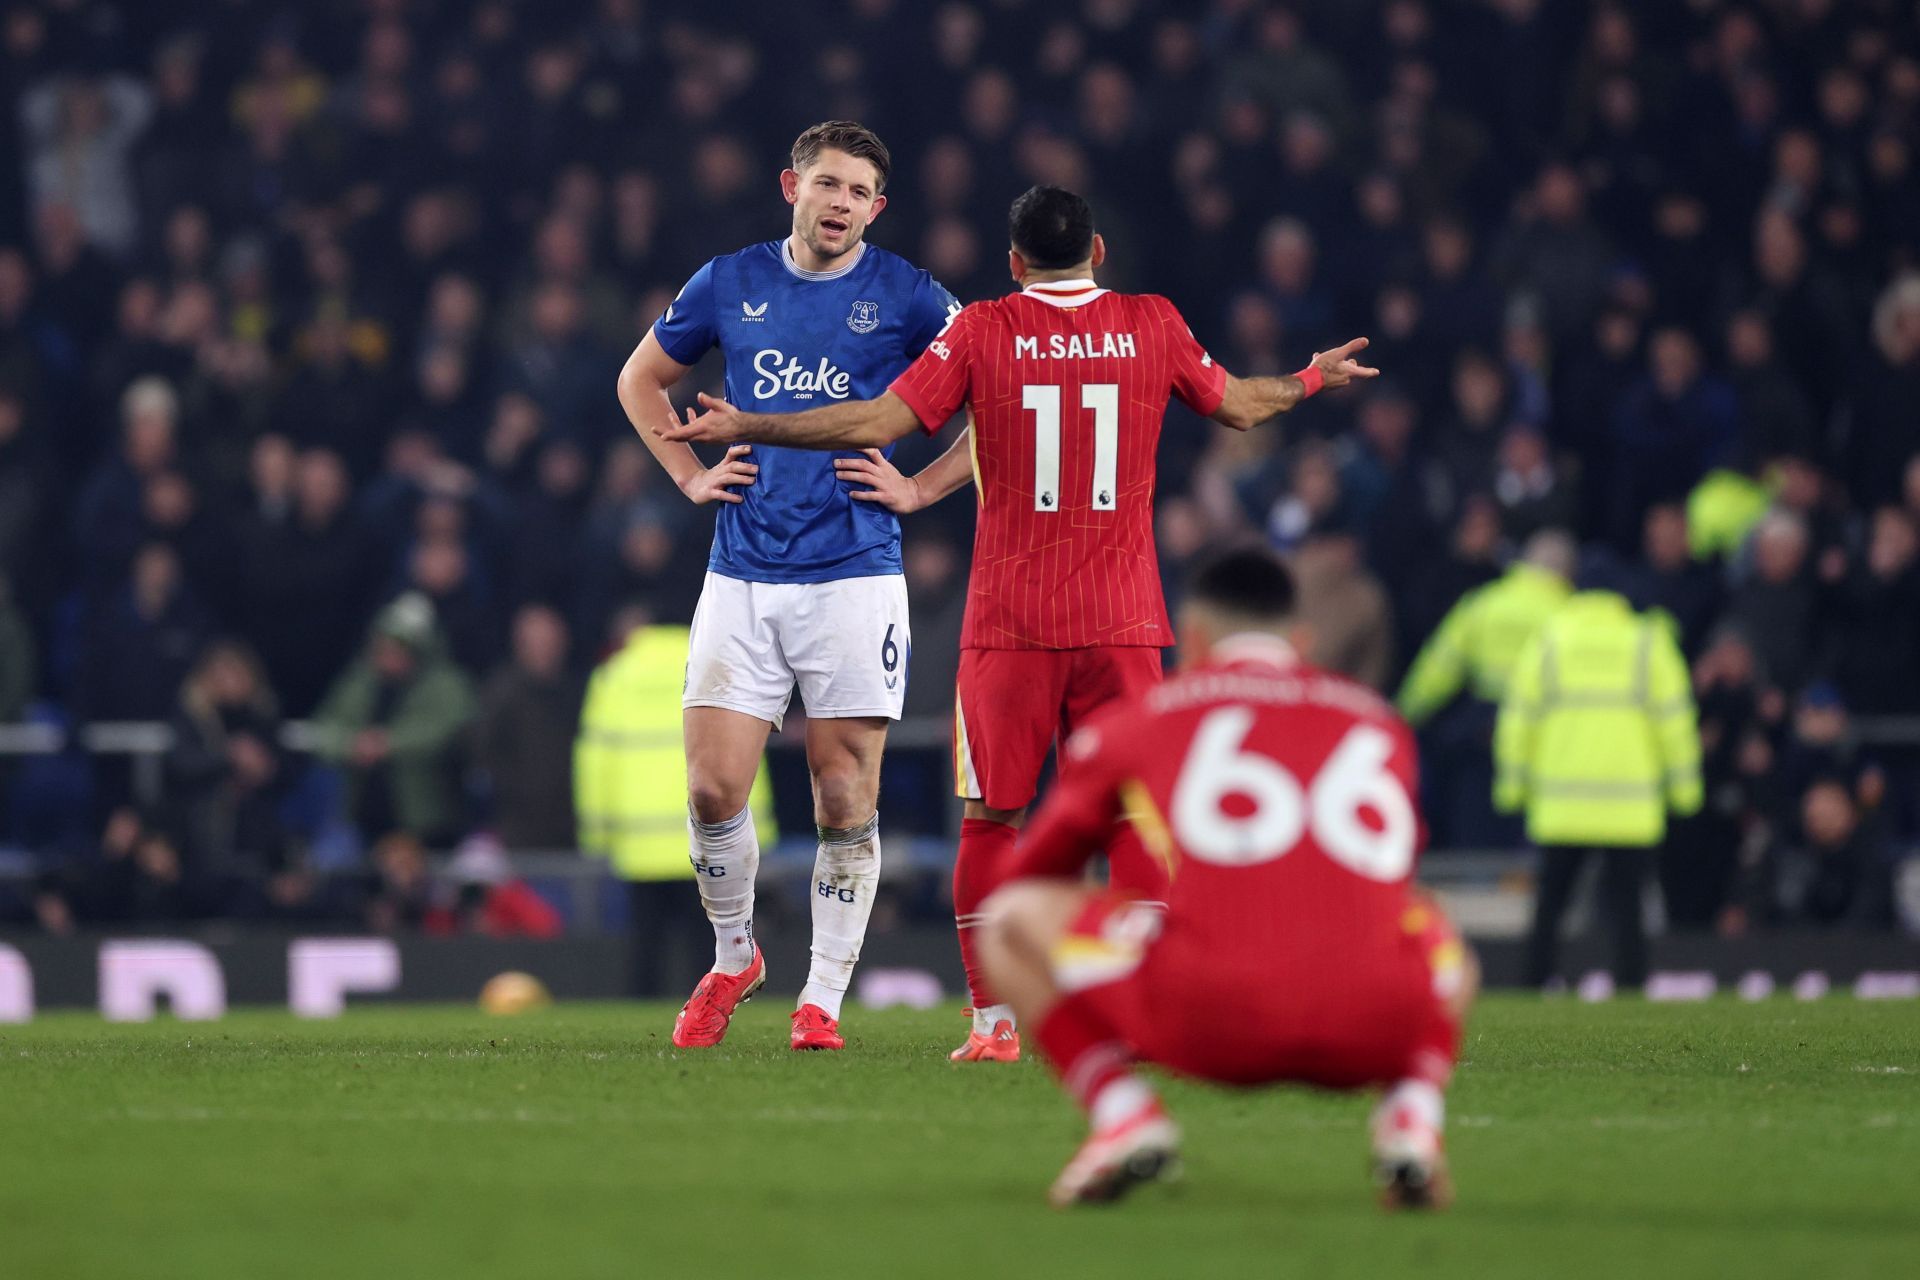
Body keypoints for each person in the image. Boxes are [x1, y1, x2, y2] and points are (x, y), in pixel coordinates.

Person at [661, 185, 1377, 1061]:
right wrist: (1310, 377)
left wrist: (756, 424)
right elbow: (1239, 403)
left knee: (993, 819)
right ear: (1099, 251)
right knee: (1132, 810)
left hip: (1009, 622)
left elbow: (878, 421)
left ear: (1013, 261)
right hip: (1122, 618)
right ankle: (1143, 998)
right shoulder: (1152, 323)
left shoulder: (986, 329)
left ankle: (993, 1024)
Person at [975, 548, 1474, 1208]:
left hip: (1210, 1019)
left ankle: (1125, 1114)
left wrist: (1142, 910)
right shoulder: (1378, 722)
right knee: (1438, 931)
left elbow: (1031, 875)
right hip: (1373, 1025)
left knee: (1009, 918)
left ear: (1197, 637)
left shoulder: (1148, 716)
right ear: (1301, 641)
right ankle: (1412, 1118)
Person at [614, 121, 964, 1052]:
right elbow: (641, 380)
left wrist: (923, 485)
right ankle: (737, 958)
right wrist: (689, 478)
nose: (843, 204)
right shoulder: (728, 280)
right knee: (710, 789)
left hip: (854, 573)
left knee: (842, 795)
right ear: (791, 187)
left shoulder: (910, 295)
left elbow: (999, 390)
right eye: (829, 185)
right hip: (742, 569)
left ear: (877, 209)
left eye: (860, 193)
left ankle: (821, 1000)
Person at [1495, 563, 1702, 989]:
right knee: (1628, 909)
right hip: (1630, 807)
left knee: (1551, 906)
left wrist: (1512, 788)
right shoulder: (1648, 643)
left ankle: (1534, 984)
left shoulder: (1549, 642)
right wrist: (1685, 793)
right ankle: (1630, 987)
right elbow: (1676, 724)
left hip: (1561, 805)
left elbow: (1518, 721)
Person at [575, 606, 775, 997]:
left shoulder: (613, 677)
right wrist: (758, 834)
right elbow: (746, 754)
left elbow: (595, 760)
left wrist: (595, 835)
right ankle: (709, 1018)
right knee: (708, 949)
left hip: (639, 845)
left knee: (645, 951)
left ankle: (645, 1033)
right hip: (705, 837)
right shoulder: (713, 667)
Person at [1395, 529, 1575, 847]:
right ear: (1566, 572)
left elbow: (1437, 670)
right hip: (1542, 734)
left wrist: (1402, 717)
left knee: (1475, 820)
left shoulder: (1484, 604)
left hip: (1482, 729)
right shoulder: (1569, 615)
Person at [310, 594, 478, 849]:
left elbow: (446, 730)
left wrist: (388, 743)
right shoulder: (360, 683)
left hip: (429, 824)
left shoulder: (447, 685)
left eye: (399, 648)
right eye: (384, 647)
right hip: (363, 822)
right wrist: (352, 745)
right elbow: (323, 729)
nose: (390, 656)